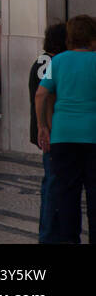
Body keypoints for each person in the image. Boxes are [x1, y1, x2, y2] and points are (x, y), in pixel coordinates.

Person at [36, 14, 96, 244]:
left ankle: (69, 240)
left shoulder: (58, 61)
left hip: (63, 136)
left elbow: (41, 94)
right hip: (92, 135)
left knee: (66, 195)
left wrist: (42, 126)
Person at [31, 23, 70, 243]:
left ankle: (48, 232)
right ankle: (49, 234)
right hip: (52, 132)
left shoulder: (41, 60)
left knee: (50, 183)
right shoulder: (52, 62)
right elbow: (45, 98)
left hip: (45, 129)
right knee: (53, 184)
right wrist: (47, 128)